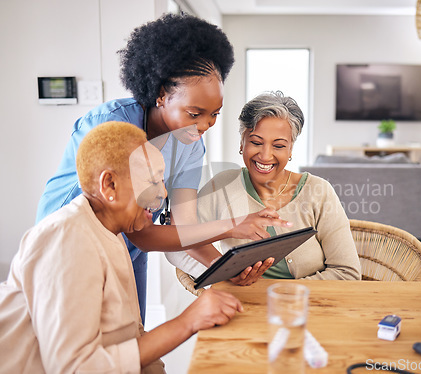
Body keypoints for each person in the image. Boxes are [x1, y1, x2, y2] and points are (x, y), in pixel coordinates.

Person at [36, 14, 288, 322]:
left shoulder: (191, 143)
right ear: (161, 95)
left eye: (214, 114)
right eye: (195, 113)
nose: (205, 125)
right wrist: (232, 225)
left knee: (133, 340)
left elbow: (184, 228)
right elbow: (140, 233)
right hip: (70, 249)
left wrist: (226, 269)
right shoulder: (114, 126)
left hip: (128, 249)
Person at [0, 122, 243, 374]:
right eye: (152, 181)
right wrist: (188, 321)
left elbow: (132, 333)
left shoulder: (111, 233)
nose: (162, 193)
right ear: (109, 185)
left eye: (162, 181)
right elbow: (73, 368)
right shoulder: (65, 240)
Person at [167, 92, 361, 281]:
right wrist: (224, 275)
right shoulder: (222, 187)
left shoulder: (319, 191)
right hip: (243, 306)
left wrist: (282, 296)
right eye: (256, 142)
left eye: (278, 146)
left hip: (310, 307)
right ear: (242, 142)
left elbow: (347, 272)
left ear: (291, 148)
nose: (266, 156)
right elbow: (177, 246)